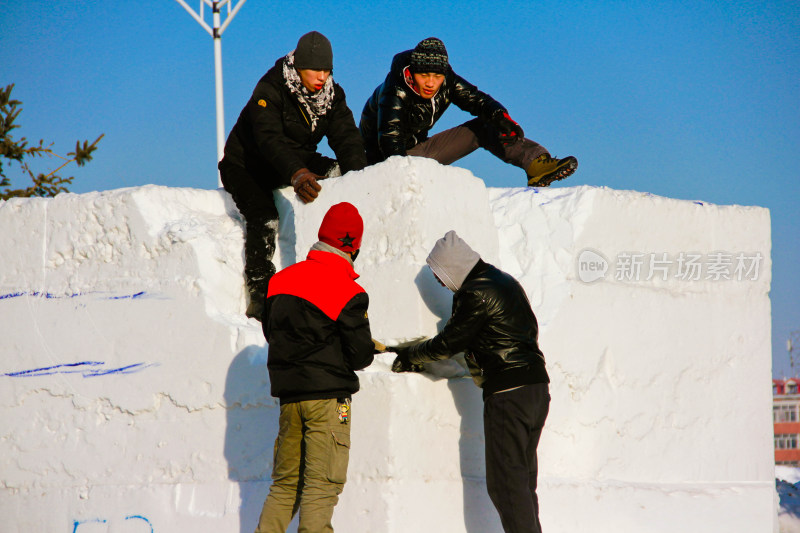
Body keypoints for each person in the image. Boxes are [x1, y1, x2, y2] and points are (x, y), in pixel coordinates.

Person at [389, 230, 550, 533]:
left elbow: (449, 343)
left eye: (439, 272)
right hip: (536, 389)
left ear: (453, 267)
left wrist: (412, 353)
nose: (437, 280)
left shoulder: (474, 292)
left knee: (506, 486)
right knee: (522, 483)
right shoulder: (504, 281)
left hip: (508, 393)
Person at [219, 31, 367, 320]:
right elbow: (269, 139)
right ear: (299, 67)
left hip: (295, 159)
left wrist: (361, 179)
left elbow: (347, 137)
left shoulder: (332, 95)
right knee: (265, 217)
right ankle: (261, 296)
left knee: (337, 173)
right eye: (315, 69)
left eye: (327, 70)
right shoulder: (270, 89)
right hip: (248, 165)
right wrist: (297, 174)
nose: (322, 76)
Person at [255, 202, 374, 533]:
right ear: (353, 246)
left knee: (284, 487)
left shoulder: (279, 281)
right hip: (329, 402)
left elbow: (272, 333)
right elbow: (361, 355)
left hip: (290, 400)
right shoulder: (348, 290)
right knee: (321, 489)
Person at [360, 37, 577, 188]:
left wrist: (500, 116)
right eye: (424, 75)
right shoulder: (395, 90)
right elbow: (390, 141)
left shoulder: (447, 81)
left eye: (437, 76)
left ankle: (535, 164)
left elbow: (476, 100)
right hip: (384, 166)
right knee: (397, 160)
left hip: (417, 155)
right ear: (413, 72)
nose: (431, 83)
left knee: (484, 126)